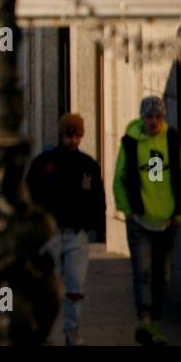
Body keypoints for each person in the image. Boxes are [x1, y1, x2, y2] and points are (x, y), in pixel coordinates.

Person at [114, 95, 181, 345]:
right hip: (139, 220)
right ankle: (145, 319)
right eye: (149, 117)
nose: (153, 122)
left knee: (162, 274)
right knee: (143, 272)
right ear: (142, 117)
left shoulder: (174, 141)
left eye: (158, 117)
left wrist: (180, 212)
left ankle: (156, 323)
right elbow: (120, 177)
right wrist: (126, 210)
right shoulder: (131, 142)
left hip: (168, 220)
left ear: (164, 117)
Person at [27, 113, 106, 346]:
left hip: (76, 233)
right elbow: (31, 192)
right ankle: (43, 330)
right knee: (49, 287)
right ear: (61, 134)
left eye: (77, 135)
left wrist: (94, 223)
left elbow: (96, 197)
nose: (73, 140)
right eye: (69, 134)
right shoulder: (45, 163)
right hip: (51, 233)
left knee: (75, 286)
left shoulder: (87, 165)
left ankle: (72, 331)